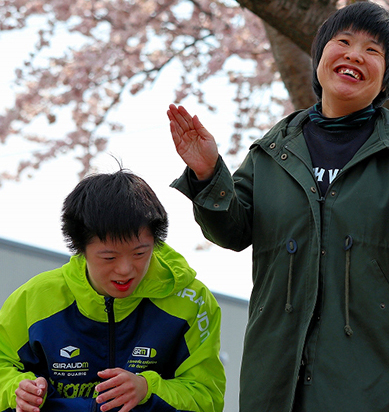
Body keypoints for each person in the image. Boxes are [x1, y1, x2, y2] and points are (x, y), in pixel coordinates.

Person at [168, 1, 389, 412]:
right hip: (277, 379)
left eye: (373, 51)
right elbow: (231, 231)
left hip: (378, 384)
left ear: (387, 79)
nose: (354, 55)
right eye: (342, 41)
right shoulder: (275, 149)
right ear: (321, 57)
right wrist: (207, 172)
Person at [0, 170, 226, 412]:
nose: (125, 270)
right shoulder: (35, 298)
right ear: (80, 247)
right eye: (109, 257)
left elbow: (208, 397)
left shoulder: (191, 301)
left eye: (140, 253)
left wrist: (147, 388)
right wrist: (17, 389)